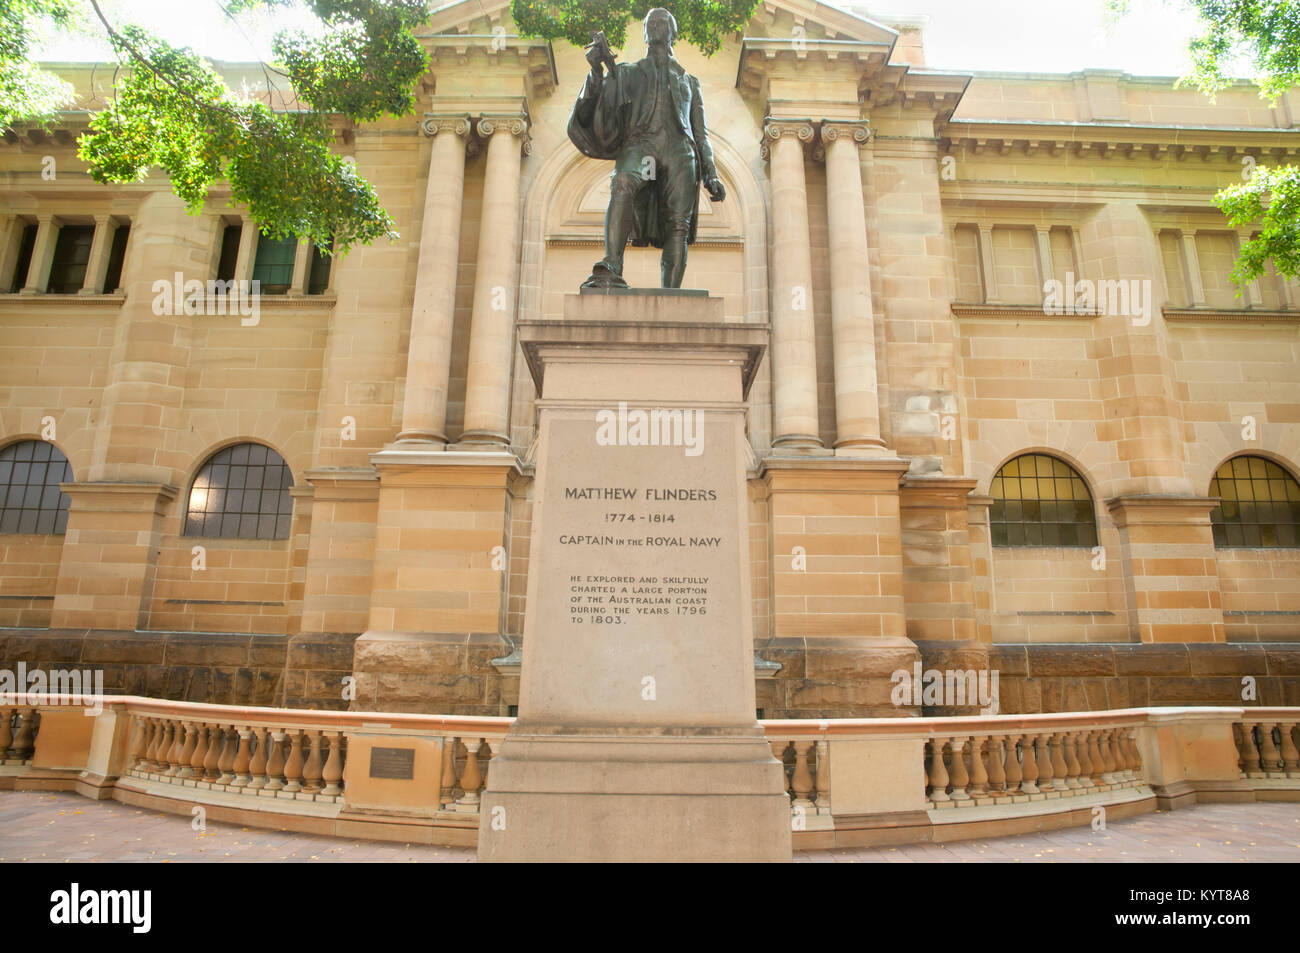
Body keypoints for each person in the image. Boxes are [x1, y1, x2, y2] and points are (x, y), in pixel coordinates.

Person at [567, 8, 727, 289]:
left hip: (680, 151)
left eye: (661, 21)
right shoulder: (628, 72)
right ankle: (612, 265)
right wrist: (595, 70)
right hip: (643, 148)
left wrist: (711, 173)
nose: (654, 25)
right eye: (650, 22)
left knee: (679, 222)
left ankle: (671, 294)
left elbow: (700, 133)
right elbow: (599, 103)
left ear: (672, 33)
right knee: (624, 181)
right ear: (644, 33)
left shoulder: (689, 82)